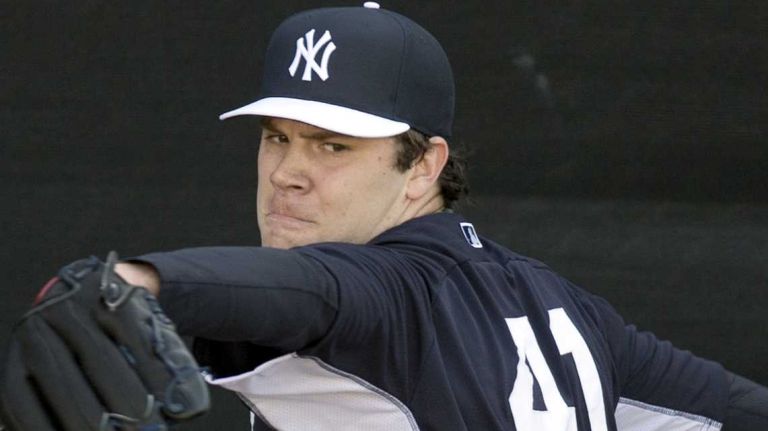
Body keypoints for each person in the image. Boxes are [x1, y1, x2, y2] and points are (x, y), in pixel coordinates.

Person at [10, 3, 768, 430]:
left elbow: (309, 291)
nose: (288, 172)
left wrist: (140, 279)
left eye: (333, 144)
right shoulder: (571, 311)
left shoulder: (376, 297)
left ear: (424, 167)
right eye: (277, 137)